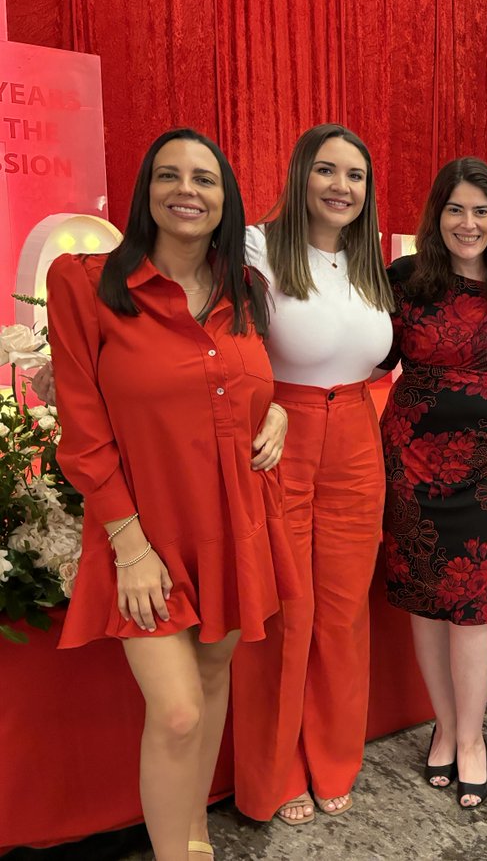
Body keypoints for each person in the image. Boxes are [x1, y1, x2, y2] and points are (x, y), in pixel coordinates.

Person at [46, 128, 298, 861]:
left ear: (226, 202)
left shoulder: (244, 291)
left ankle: (192, 838)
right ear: (146, 192)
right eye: (169, 176)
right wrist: (129, 548)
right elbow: (84, 435)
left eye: (205, 179)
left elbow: (248, 384)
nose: (187, 190)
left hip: (230, 521)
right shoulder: (85, 283)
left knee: (214, 674)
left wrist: (274, 411)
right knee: (180, 712)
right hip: (143, 533)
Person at [230, 124, 394, 825]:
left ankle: (332, 753)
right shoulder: (255, 247)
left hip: (359, 436)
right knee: (283, 612)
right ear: (299, 175)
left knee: (343, 609)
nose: (340, 186)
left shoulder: (371, 261)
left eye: (354, 176)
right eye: (326, 170)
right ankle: (275, 768)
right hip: (280, 435)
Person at [377, 157, 487, 808]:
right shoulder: (406, 278)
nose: (468, 222)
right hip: (412, 458)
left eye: (481, 210)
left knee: (475, 604)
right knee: (424, 597)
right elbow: (371, 350)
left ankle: (471, 737)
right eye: (456, 209)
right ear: (436, 216)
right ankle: (446, 722)